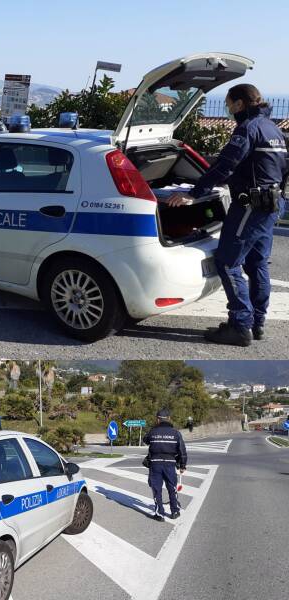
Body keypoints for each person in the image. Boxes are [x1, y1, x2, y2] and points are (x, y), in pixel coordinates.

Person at [166, 84, 288, 347]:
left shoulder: (248, 129)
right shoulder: (273, 128)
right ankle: (256, 323)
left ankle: (239, 326)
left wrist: (195, 193)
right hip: (271, 204)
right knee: (257, 263)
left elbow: (226, 164)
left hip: (250, 206)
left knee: (227, 262)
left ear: (240, 104)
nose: (228, 109)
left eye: (229, 103)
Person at [144, 409, 187, 522]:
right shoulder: (176, 433)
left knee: (157, 489)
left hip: (155, 464)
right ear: (168, 419)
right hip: (170, 464)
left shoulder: (152, 432)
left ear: (157, 419)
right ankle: (175, 511)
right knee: (172, 488)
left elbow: (145, 440)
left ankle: (160, 514)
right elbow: (182, 450)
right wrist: (182, 465)